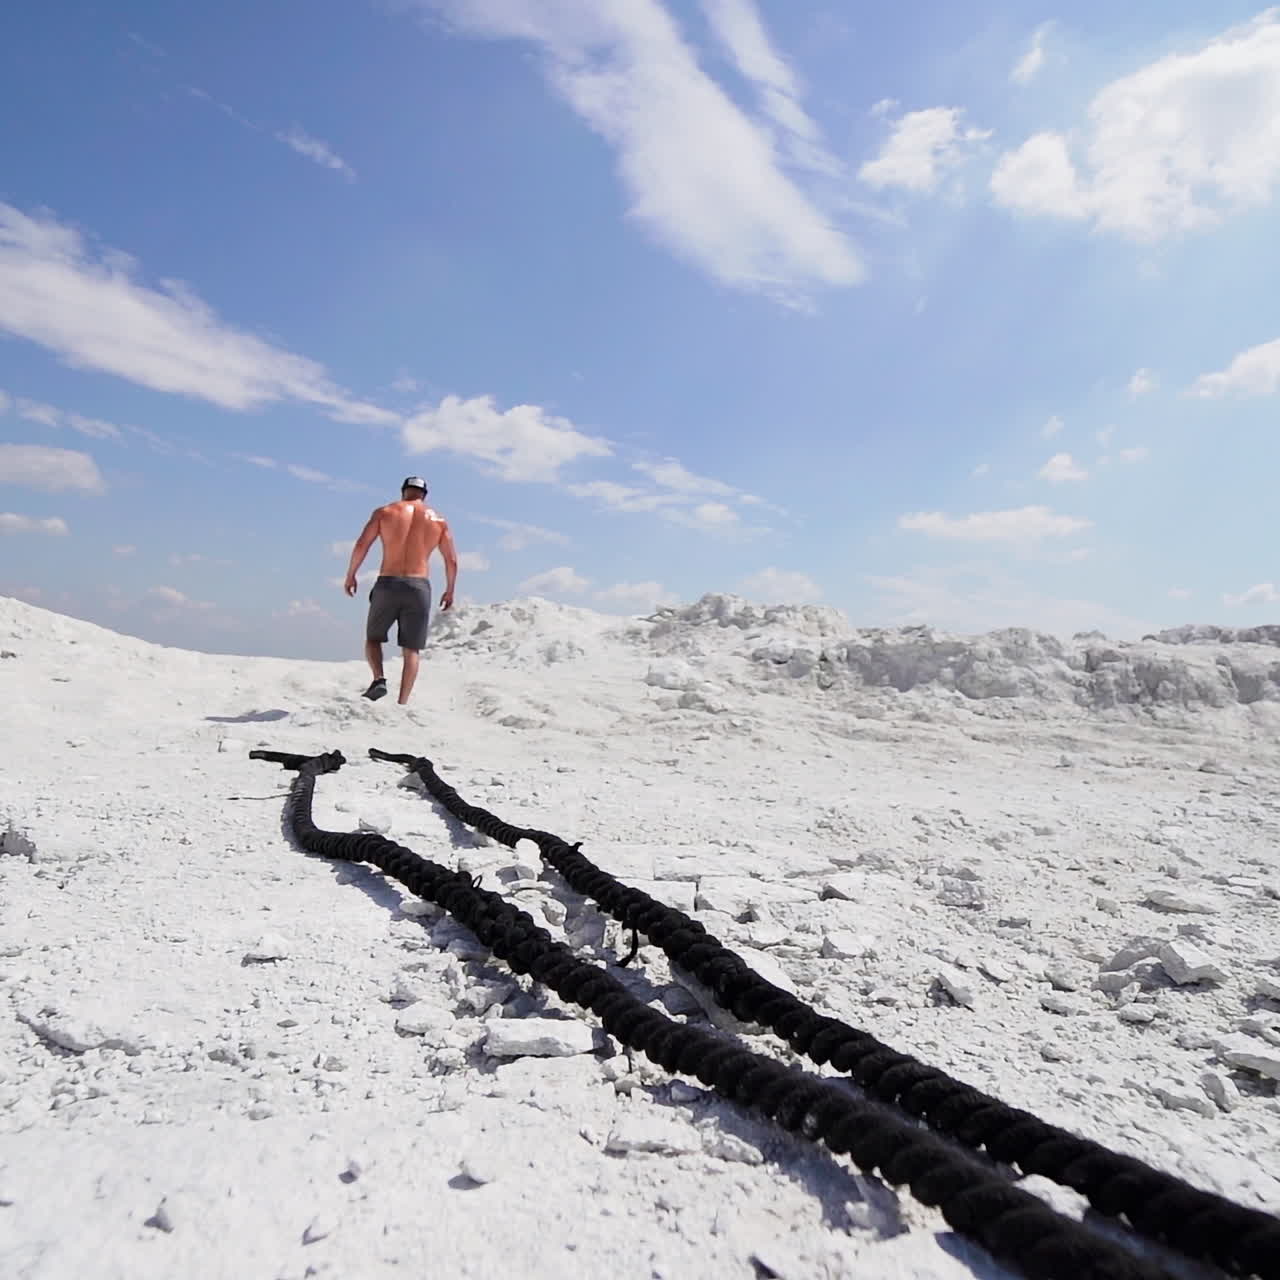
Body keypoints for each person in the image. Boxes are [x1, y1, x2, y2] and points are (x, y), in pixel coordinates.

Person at [343, 476, 457, 705]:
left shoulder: (385, 512)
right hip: (418, 585)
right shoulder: (439, 521)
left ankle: (379, 679)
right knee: (411, 648)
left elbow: (361, 544)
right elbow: (451, 560)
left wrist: (351, 574)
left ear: (404, 491)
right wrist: (450, 590)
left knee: (373, 638)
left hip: (388, 582)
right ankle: (402, 702)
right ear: (425, 495)